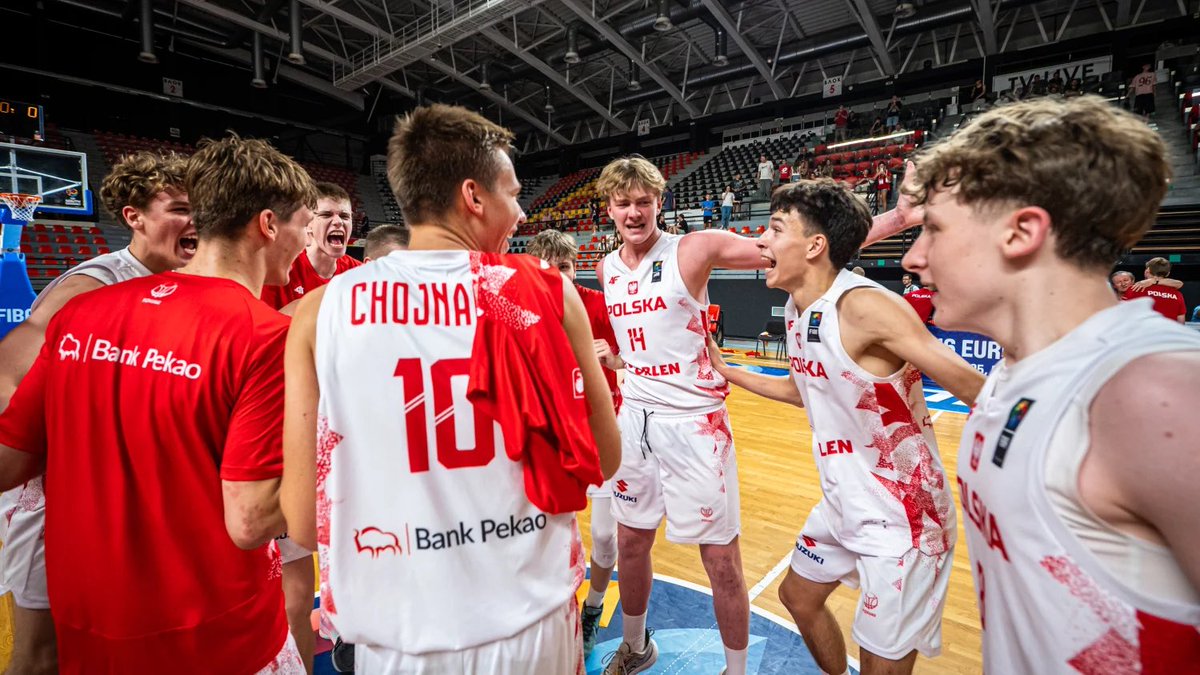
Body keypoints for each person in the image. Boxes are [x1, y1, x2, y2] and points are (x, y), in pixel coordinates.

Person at [279, 104, 621, 674]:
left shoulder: (318, 312)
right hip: (533, 620)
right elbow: (604, 459)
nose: (518, 211)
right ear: (474, 196)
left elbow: (298, 516)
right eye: (512, 194)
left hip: (397, 634)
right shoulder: (545, 294)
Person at [901, 95, 1200, 672]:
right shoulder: (1015, 374)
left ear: (1021, 232)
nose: (913, 257)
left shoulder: (1151, 392)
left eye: (933, 229)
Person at [594, 156, 925, 675]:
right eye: (623, 203)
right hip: (634, 417)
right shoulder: (606, 267)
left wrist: (899, 219)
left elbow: (805, 249)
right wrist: (615, 359)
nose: (634, 213)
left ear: (660, 202)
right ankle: (635, 647)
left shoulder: (694, 247)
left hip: (694, 423)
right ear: (608, 208)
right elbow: (642, 345)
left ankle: (736, 670)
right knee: (630, 542)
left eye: (644, 201)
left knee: (721, 560)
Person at [0, 133, 317, 674]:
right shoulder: (266, 337)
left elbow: (10, 461)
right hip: (219, 636)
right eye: (303, 228)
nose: (305, 244)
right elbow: (251, 518)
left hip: (93, 632)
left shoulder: (82, 313)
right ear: (268, 225)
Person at [708, 179, 983, 675]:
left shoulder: (863, 306)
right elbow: (802, 390)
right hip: (845, 500)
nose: (761, 242)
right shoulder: (797, 307)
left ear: (815, 246)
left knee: (883, 664)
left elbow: (971, 385)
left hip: (904, 517)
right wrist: (728, 370)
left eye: (773, 230)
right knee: (798, 596)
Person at [0, 151, 194, 675]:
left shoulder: (186, 284)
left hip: (126, 497)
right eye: (180, 207)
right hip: (53, 498)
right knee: (43, 655)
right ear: (134, 217)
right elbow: (11, 374)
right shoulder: (97, 283)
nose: (195, 220)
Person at [525, 228, 624, 655]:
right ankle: (543, 616)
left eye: (563, 267)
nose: (557, 276)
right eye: (547, 268)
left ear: (575, 267)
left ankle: (593, 608)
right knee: (539, 537)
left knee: (604, 538)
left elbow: (636, 360)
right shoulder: (520, 310)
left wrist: (614, 357)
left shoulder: (598, 305)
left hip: (599, 433)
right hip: (546, 435)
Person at [261, 181, 363, 314]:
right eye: (326, 215)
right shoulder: (279, 271)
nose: (339, 222)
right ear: (308, 222)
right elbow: (262, 328)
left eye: (345, 216)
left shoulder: (359, 273)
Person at [1124, 257, 1188, 322]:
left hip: (1141, 331)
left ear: (1147, 271)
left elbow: (1123, 315)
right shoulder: (1178, 295)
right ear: (1168, 273)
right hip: (1169, 331)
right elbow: (1181, 321)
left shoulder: (1135, 289)